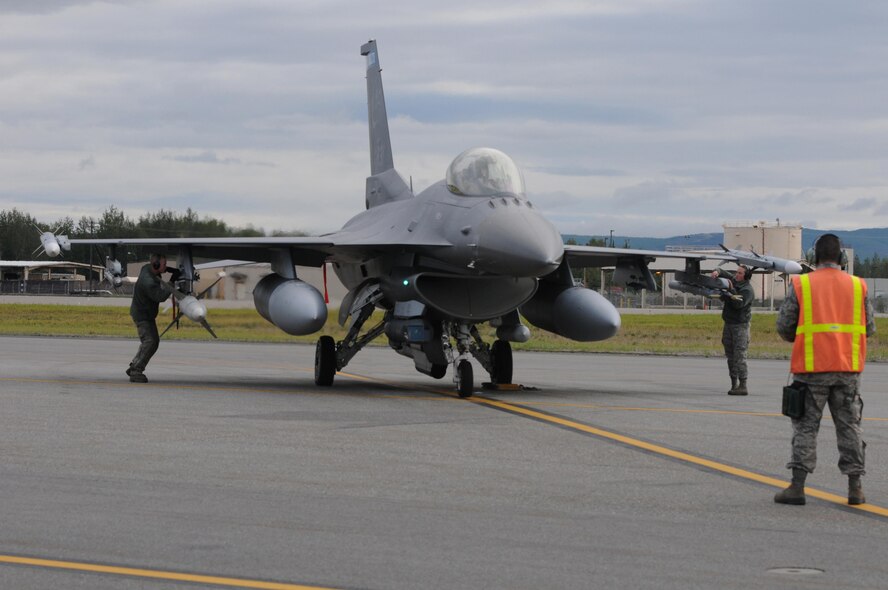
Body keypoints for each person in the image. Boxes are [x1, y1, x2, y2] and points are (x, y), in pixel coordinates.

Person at [774, 233, 875, 506]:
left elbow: (784, 327)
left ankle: (797, 487)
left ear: (813, 258)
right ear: (842, 258)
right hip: (847, 369)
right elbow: (870, 328)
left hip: (811, 369)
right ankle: (856, 488)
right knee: (850, 428)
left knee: (805, 427)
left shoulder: (801, 284)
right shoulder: (858, 286)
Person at [126, 253, 179, 383]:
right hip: (142, 315)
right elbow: (160, 296)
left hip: (145, 313)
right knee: (150, 342)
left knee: (152, 341)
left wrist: (167, 269)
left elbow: (156, 273)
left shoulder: (147, 268)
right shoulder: (148, 281)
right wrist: (172, 281)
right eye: (164, 264)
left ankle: (135, 365)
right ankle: (136, 370)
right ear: (156, 265)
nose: (166, 266)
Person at [710, 265, 754, 395]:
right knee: (730, 355)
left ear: (745, 276)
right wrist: (716, 272)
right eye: (737, 272)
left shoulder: (747, 290)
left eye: (740, 273)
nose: (736, 275)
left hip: (740, 326)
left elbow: (738, 304)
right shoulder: (734, 281)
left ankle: (743, 384)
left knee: (740, 356)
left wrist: (730, 290)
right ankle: (734, 383)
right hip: (728, 324)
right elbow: (723, 271)